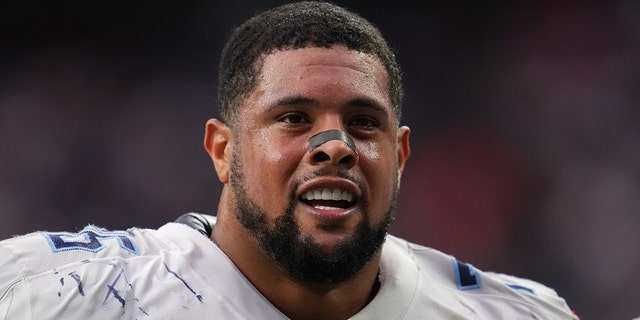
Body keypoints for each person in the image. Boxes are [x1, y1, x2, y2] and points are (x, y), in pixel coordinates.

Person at [0, 1, 579, 319]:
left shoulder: (519, 315)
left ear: (400, 155)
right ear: (223, 151)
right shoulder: (46, 294)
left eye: (363, 123)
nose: (335, 146)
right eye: (294, 119)